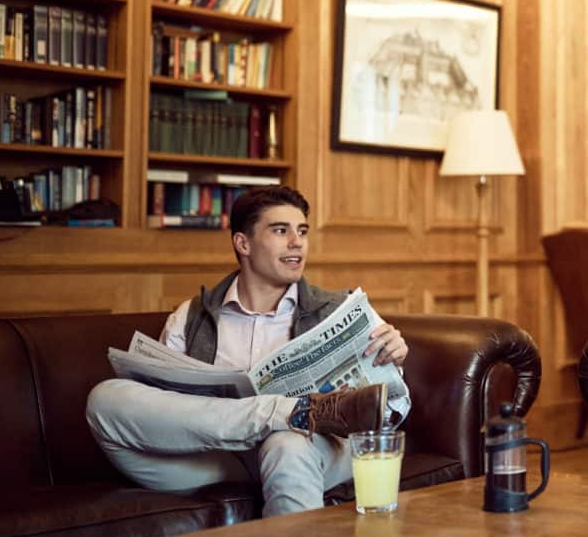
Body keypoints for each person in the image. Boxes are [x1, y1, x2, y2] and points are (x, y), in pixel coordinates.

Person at [86, 185, 410, 516]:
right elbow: (168, 412)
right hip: (217, 460)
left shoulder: (341, 310)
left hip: (311, 450)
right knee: (105, 398)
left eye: (302, 231)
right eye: (281, 231)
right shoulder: (190, 317)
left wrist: (393, 360)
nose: (296, 242)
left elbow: (391, 405)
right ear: (243, 243)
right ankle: (287, 411)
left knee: (286, 445)